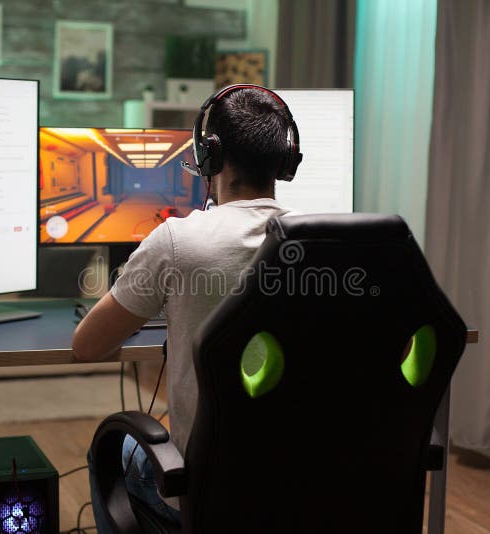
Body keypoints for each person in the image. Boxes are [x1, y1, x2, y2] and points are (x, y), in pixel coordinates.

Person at [72, 84, 302, 532]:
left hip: (208, 490)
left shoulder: (177, 241)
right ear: (286, 159)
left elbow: (87, 345)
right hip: (298, 484)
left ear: (208, 155)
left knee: (115, 455)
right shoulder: (320, 244)